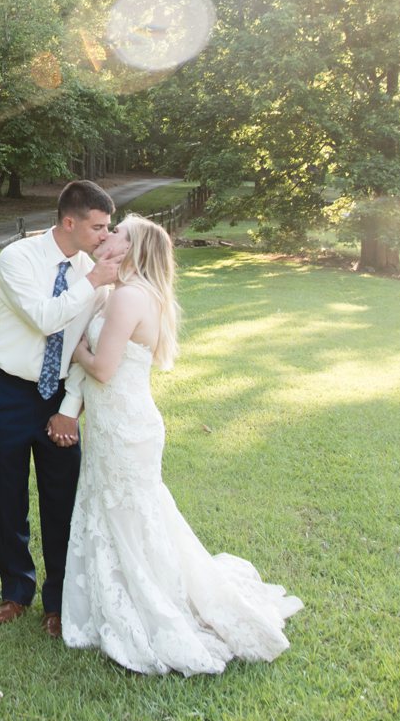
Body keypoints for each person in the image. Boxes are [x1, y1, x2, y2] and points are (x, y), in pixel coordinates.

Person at [61, 214, 302, 675]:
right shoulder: (131, 293)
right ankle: (113, 596)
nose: (110, 236)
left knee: (128, 516)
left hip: (125, 428)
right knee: (126, 515)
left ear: (134, 249)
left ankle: (147, 605)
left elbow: (104, 368)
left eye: (119, 234)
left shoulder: (130, 297)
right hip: (120, 425)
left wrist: (73, 349)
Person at [0, 180, 125, 637]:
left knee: (62, 501)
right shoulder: (17, 259)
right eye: (98, 227)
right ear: (69, 222)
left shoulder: (92, 275)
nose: (105, 236)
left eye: (108, 227)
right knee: (7, 497)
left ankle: (59, 602)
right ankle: (15, 591)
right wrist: (91, 281)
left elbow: (88, 345)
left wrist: (71, 406)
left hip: (59, 397)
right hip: (6, 392)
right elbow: (45, 318)